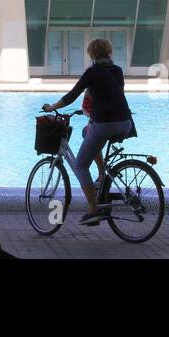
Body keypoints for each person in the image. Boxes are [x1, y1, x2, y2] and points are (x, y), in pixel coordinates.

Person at [41, 37, 133, 226]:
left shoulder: (92, 72)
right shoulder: (117, 71)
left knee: (81, 166)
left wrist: (52, 107)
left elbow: (71, 96)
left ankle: (93, 209)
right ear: (109, 52)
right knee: (87, 132)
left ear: (91, 54)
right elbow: (115, 94)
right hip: (126, 123)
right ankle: (102, 174)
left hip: (106, 123)